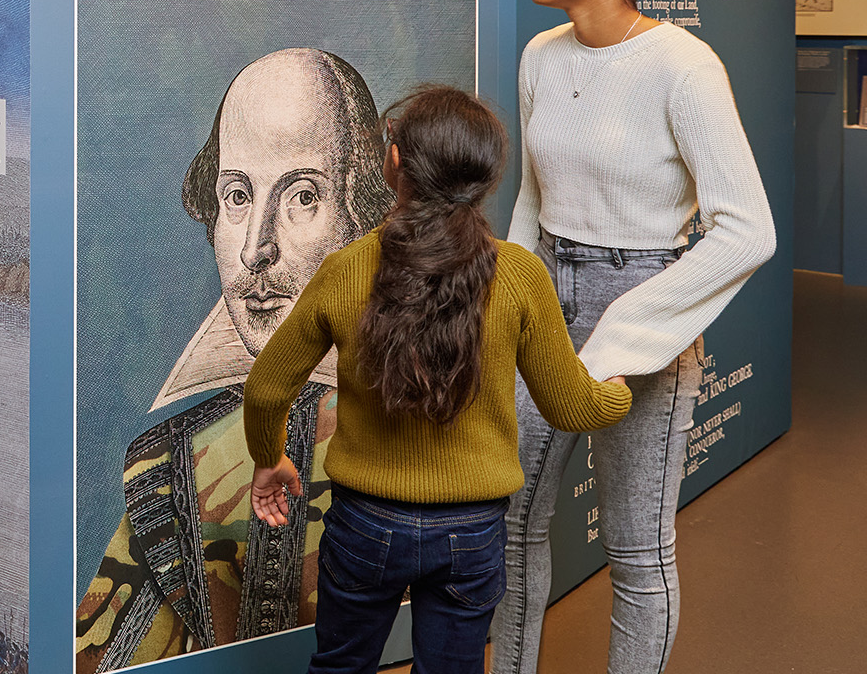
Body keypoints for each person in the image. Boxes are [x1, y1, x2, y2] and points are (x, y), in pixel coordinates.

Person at [242, 85, 633, 673]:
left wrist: (269, 458)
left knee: (341, 666)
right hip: (472, 533)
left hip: (363, 526)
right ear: (486, 176)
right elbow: (574, 408)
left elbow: (267, 388)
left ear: (393, 161)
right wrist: (622, 385)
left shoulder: (346, 269)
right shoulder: (521, 276)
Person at [493, 0, 774, 674]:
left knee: (637, 551)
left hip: (644, 308)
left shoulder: (684, 67)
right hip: (545, 298)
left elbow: (748, 229)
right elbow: (533, 198)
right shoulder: (541, 55)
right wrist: (507, 307)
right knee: (511, 527)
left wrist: (626, 335)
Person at [77, 48, 395, 669]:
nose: (257, 248)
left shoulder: (180, 462)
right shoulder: (178, 464)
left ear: (364, 213)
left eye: (303, 196)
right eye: (238, 195)